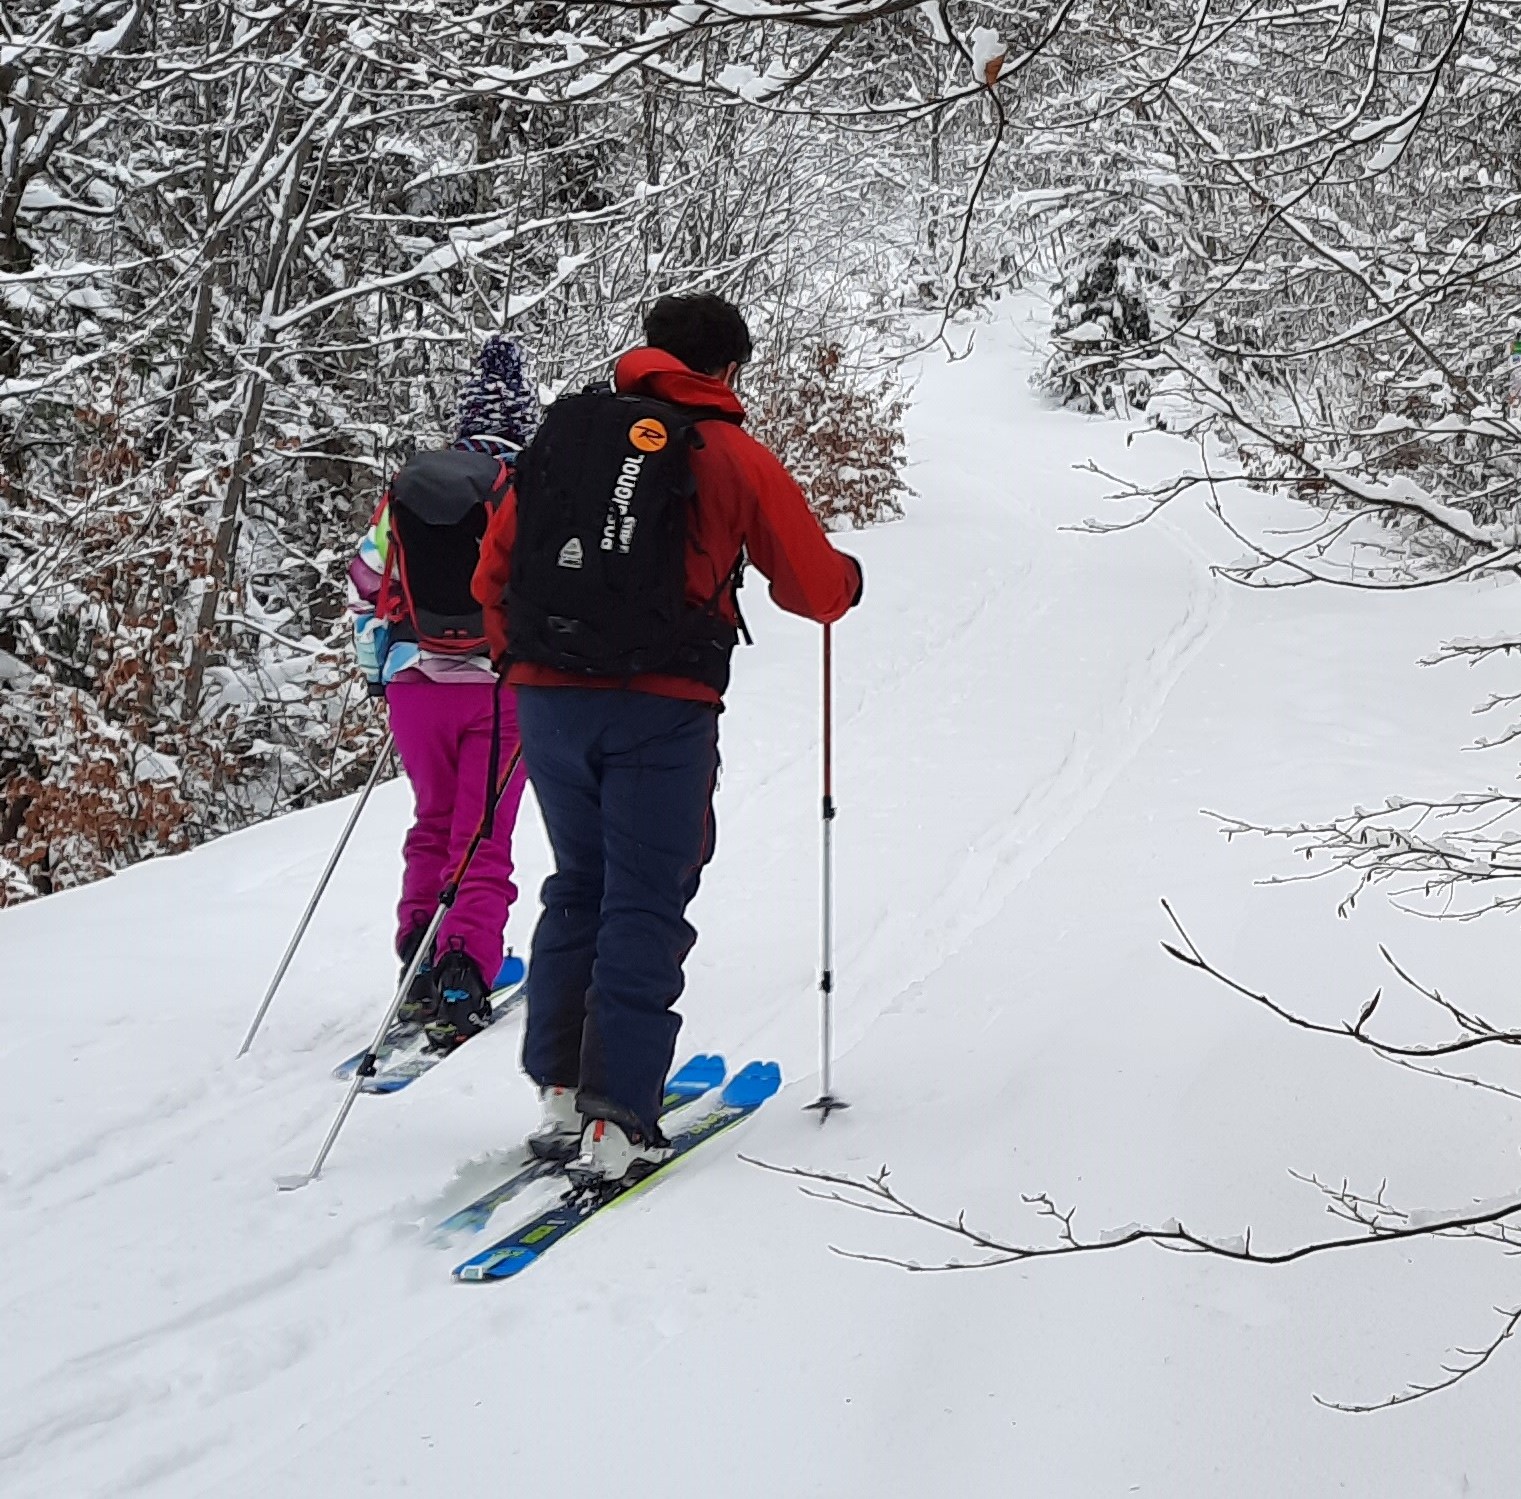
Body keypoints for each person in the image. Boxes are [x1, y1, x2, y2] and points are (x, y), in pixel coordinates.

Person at [471, 293, 863, 1183]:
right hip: (660, 702)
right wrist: (848, 579)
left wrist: (524, 666)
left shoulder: (567, 440)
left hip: (547, 700)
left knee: (579, 882)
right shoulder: (729, 452)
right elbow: (813, 589)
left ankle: (561, 1090)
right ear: (726, 368)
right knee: (646, 896)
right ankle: (617, 1118)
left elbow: (494, 571)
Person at [349, 336, 540, 1048]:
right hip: (497, 690)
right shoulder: (523, 492)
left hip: (413, 687)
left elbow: (365, 584)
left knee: (432, 820)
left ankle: (418, 960)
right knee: (481, 835)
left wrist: (380, 671)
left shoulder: (411, 491)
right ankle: (462, 970)